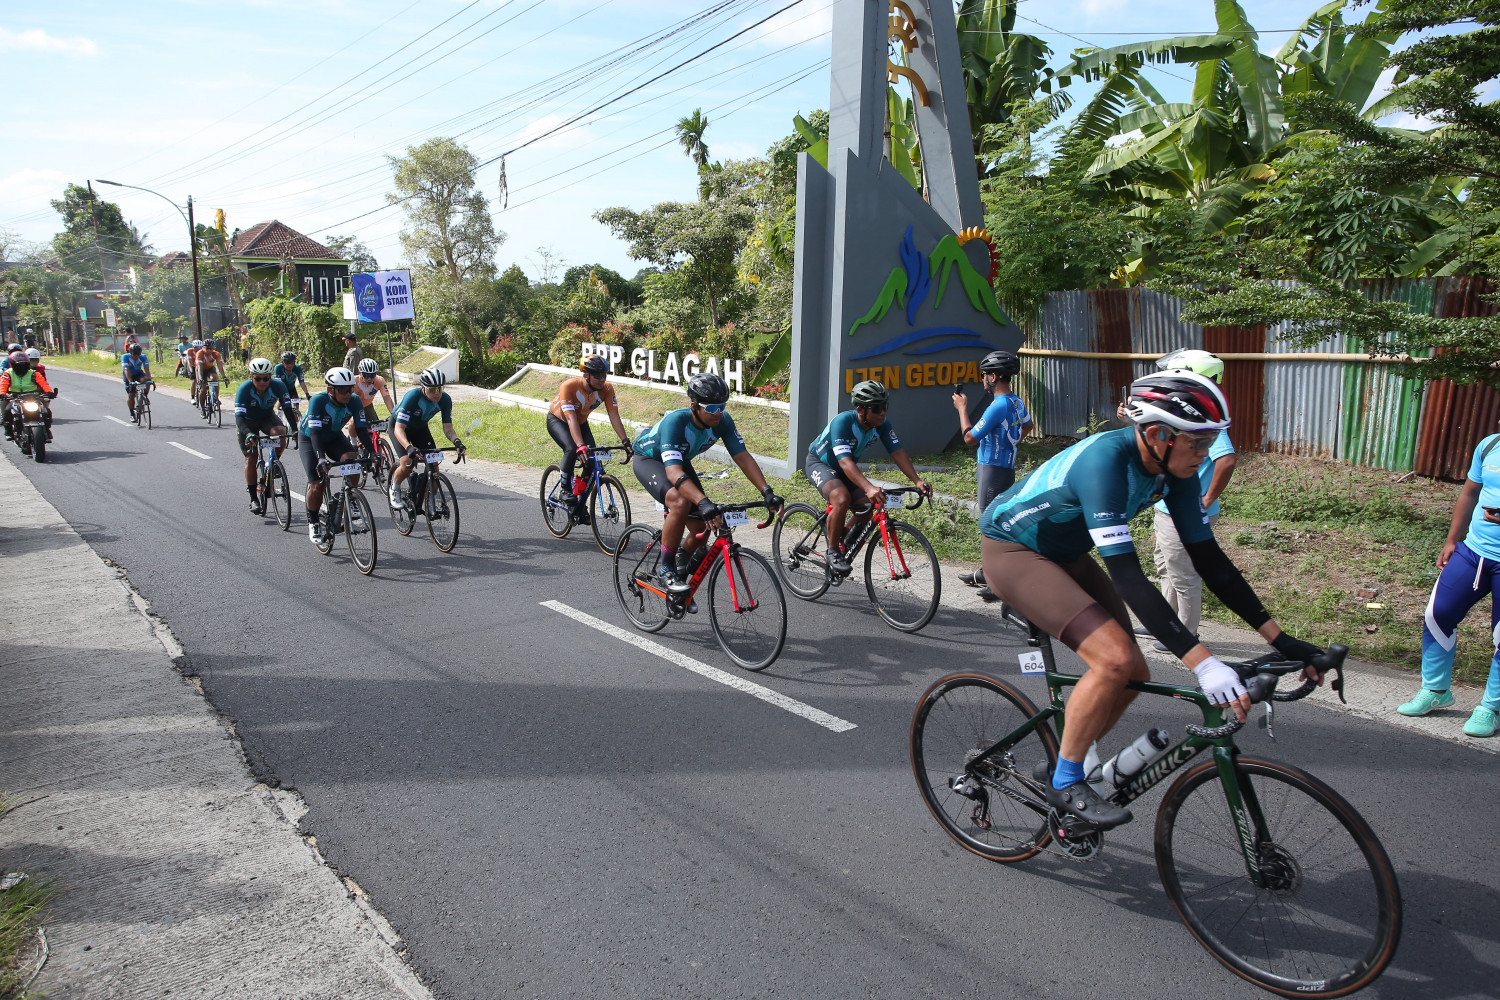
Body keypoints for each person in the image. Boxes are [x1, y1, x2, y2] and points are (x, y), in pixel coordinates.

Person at [979, 370, 1327, 830]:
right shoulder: (1105, 462)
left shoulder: (1174, 471)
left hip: (1065, 553)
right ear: (1158, 434)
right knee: (1115, 661)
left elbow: (1212, 563)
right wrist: (1203, 664)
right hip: (1013, 551)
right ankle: (1066, 781)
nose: (1204, 454)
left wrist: (1282, 641)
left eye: (1209, 443)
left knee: (1134, 672)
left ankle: (1067, 758)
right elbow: (1129, 579)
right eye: (1197, 443)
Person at [631, 373, 783, 592]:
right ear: (694, 406)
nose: (718, 412)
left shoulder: (723, 421)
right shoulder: (676, 422)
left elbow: (742, 456)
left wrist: (766, 491)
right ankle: (666, 570)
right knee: (680, 503)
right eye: (711, 408)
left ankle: (681, 568)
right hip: (650, 460)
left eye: (722, 406)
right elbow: (673, 472)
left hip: (679, 461)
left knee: (702, 528)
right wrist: (703, 502)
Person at [1131, 350, 1238, 651]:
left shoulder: (1205, 420)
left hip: (1184, 512)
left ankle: (1186, 636)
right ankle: (1166, 624)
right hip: (1167, 508)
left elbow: (1227, 460)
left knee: (1184, 575)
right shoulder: (1187, 416)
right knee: (1166, 567)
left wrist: (1206, 499)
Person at [1397, 432, 1500, 737]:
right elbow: (1469, 493)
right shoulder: (1491, 445)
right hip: (1473, 551)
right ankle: (1436, 690)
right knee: (1438, 614)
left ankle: (1492, 708)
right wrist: (1452, 540)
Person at [805, 380, 930, 576]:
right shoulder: (843, 422)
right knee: (841, 498)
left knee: (868, 505)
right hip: (820, 464)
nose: (883, 413)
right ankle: (832, 552)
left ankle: (842, 538)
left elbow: (897, 452)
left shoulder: (881, 424)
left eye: (885, 407)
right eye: (877, 408)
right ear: (860, 409)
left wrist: (917, 481)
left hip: (845, 469)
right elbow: (844, 461)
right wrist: (869, 487)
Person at [953, 351, 1033, 600]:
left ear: (994, 377)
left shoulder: (997, 406)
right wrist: (1010, 444)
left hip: (991, 470)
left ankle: (998, 581)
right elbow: (1028, 425)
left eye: (985, 375)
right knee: (999, 522)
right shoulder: (1015, 401)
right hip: (1005, 468)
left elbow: (969, 437)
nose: (983, 380)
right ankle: (988, 573)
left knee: (991, 527)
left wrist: (962, 408)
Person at [548, 355, 633, 522]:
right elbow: (570, 418)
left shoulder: (606, 389)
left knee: (592, 460)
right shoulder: (569, 386)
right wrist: (580, 445)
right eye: (598, 376)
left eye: (604, 375)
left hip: (580, 423)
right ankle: (565, 489)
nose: (602, 379)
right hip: (559, 421)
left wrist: (625, 441)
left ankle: (579, 504)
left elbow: (614, 415)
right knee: (572, 449)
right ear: (586, 375)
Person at [297, 367, 375, 544]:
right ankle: (313, 521)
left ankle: (349, 497)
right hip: (310, 438)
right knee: (317, 484)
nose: (348, 394)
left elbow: (361, 430)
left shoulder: (354, 400)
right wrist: (321, 458)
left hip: (333, 436)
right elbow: (315, 433)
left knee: (351, 459)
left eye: (350, 389)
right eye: (342, 390)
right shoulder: (318, 401)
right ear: (330, 390)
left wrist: (373, 452)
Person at [388, 367, 466, 508]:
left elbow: (448, 428)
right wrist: (408, 447)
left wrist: (457, 442)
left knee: (434, 464)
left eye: (440, 388)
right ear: (422, 387)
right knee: (407, 462)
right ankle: (395, 487)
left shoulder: (445, 399)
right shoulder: (412, 397)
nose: (437, 393)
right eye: (432, 389)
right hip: (399, 427)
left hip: (420, 428)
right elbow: (399, 429)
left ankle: (430, 501)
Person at [234, 358, 298, 514]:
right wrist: (248, 433)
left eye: (266, 378)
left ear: (270, 376)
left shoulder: (278, 385)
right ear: (251, 376)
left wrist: (295, 430)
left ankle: (273, 463)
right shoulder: (244, 389)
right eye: (258, 378)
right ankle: (253, 499)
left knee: (281, 432)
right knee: (251, 457)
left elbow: (288, 409)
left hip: (267, 418)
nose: (262, 382)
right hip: (247, 422)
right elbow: (239, 418)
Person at [0, 350, 56, 441]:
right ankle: (8, 431)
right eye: (19, 365)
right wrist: (2, 394)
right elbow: (3, 384)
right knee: (7, 411)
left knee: (46, 411)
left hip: (33, 397)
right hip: (16, 397)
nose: (21, 367)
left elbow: (44, 384)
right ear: (13, 365)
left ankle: (46, 429)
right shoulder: (7, 374)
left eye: (24, 364)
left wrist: (49, 392)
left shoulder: (34, 373)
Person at [352, 358, 395, 428]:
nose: (369, 378)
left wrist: (393, 414)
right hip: (354, 407)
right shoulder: (354, 381)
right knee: (354, 425)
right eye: (366, 375)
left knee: (377, 427)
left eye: (372, 375)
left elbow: (386, 397)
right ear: (360, 373)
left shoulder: (380, 380)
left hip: (368, 406)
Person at [121, 343, 152, 416]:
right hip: (129, 375)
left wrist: (149, 380)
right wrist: (131, 382)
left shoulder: (143, 357)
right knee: (131, 395)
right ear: (130, 352)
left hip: (138, 373)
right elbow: (126, 369)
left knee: (146, 380)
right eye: (134, 354)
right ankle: (132, 413)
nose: (136, 356)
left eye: (138, 354)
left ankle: (145, 395)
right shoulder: (125, 357)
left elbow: (147, 370)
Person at [194, 338, 225, 409]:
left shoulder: (216, 354)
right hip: (201, 369)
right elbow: (199, 367)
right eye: (207, 348)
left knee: (215, 379)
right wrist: (201, 379)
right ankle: (203, 407)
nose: (209, 350)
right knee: (203, 389)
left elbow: (220, 366)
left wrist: (224, 377)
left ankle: (215, 397)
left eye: (211, 348)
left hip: (210, 368)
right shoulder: (200, 353)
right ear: (203, 348)